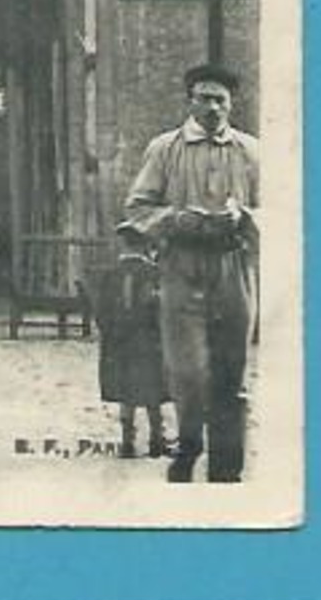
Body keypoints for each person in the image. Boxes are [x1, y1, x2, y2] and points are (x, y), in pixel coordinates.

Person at [124, 63, 259, 484]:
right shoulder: (165, 149)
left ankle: (227, 465)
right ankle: (188, 446)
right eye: (204, 97)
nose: (213, 107)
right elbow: (137, 208)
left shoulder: (252, 152)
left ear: (231, 103)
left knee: (232, 370)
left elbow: (287, 209)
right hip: (181, 267)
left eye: (220, 99)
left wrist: (245, 216)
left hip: (233, 266)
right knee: (188, 371)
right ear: (189, 100)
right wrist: (178, 219)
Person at [93, 223, 171, 459]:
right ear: (146, 246)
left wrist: (109, 333)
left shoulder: (111, 273)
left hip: (120, 343)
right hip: (149, 341)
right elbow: (163, 310)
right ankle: (157, 439)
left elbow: (101, 311)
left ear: (123, 244)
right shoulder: (156, 273)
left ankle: (127, 442)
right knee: (153, 390)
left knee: (126, 390)